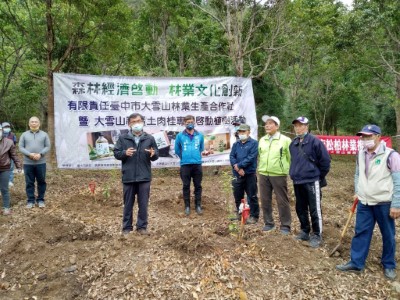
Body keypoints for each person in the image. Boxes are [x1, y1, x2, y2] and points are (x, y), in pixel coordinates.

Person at [336, 125, 400, 280]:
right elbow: (358, 174)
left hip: (384, 202)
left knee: (388, 234)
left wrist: (396, 204)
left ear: (378, 137)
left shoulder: (391, 155)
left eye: (368, 136)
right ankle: (356, 262)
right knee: (361, 232)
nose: (365, 140)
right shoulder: (361, 153)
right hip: (364, 202)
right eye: (363, 137)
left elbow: (398, 181)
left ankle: (389, 264)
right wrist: (358, 190)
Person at [114, 113, 159, 235]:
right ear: (129, 124)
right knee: (128, 204)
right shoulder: (123, 138)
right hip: (128, 177)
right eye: (133, 122)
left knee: (143, 204)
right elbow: (116, 153)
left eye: (138, 121)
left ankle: (142, 227)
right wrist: (124, 153)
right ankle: (126, 228)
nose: (136, 124)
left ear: (143, 122)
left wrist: (153, 154)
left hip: (144, 177)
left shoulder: (149, 138)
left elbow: (156, 155)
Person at [289, 116, 330, 248]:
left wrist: (317, 176)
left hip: (312, 181)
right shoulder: (293, 143)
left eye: (301, 125)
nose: (298, 128)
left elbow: (325, 162)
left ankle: (317, 234)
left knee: (314, 208)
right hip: (297, 181)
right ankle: (305, 230)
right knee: (300, 207)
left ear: (307, 126)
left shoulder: (315, 142)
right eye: (296, 126)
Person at [258, 116, 292, 234]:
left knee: (282, 200)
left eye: (270, 123)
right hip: (263, 173)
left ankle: (285, 225)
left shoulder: (285, 140)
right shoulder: (262, 140)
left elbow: (290, 157)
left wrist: (287, 169)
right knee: (265, 199)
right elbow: (260, 155)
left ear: (277, 126)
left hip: (278, 174)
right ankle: (269, 223)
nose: (267, 125)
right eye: (266, 123)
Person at [175, 115, 208, 216]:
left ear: (194, 122)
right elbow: (177, 150)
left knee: (198, 185)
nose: (189, 123)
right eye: (187, 122)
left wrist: (197, 156)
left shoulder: (199, 135)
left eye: (191, 121)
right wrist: (184, 158)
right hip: (185, 165)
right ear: (184, 123)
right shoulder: (180, 136)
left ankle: (198, 205)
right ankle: (187, 206)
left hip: (197, 164)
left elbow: (201, 148)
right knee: (186, 186)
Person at [230, 123, 260, 224]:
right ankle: (240, 213)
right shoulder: (236, 144)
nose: (241, 133)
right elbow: (232, 156)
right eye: (240, 132)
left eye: (243, 131)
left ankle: (254, 216)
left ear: (248, 132)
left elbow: (251, 157)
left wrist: (240, 166)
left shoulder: (254, 143)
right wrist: (237, 167)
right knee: (238, 195)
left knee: (252, 195)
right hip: (237, 174)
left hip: (249, 174)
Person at [19, 116, 51, 209]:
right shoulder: (24, 135)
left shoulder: (44, 134)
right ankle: (30, 201)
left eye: (35, 122)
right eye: (32, 122)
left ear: (39, 124)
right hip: (28, 163)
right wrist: (29, 154)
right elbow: (21, 147)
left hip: (41, 163)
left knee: (41, 181)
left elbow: (47, 146)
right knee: (29, 182)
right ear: (29, 124)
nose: (34, 123)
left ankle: (41, 200)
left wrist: (40, 154)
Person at [0, 124, 22, 215]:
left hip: (4, 168)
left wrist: (19, 166)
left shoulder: (9, 142)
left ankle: (6, 208)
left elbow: (14, 155)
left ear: (2, 131)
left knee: (4, 189)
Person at [2, 122, 17, 187]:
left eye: (8, 127)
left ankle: (10, 181)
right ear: (2, 128)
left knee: (10, 168)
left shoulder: (12, 135)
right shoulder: (1, 134)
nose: (6, 128)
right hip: (2, 155)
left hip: (10, 154)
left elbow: (14, 143)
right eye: (5, 127)